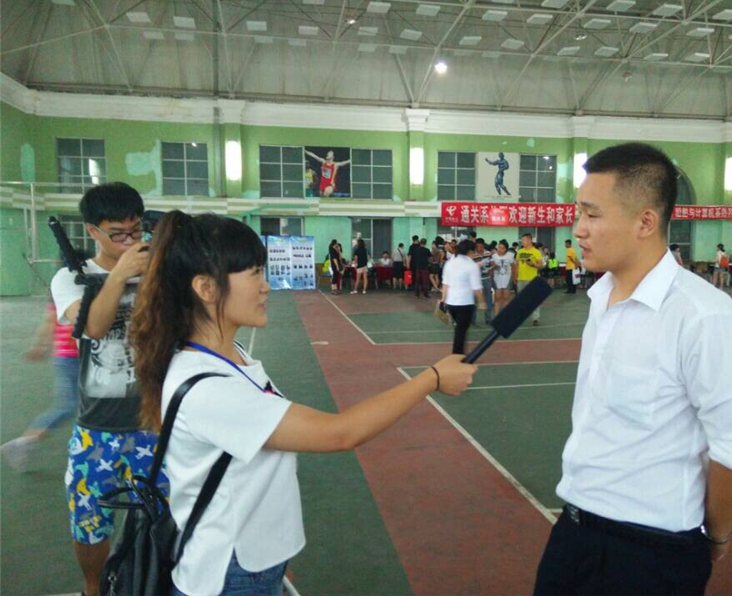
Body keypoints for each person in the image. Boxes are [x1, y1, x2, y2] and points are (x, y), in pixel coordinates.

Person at [128, 212, 477, 596]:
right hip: (230, 571)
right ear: (206, 288)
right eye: (254, 274)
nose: (266, 286)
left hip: (251, 558)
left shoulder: (230, 356)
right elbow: (339, 433)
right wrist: (432, 378)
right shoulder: (208, 387)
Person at [534, 142, 732, 596]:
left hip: (651, 554)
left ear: (645, 222)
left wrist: (715, 536)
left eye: (592, 214)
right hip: (573, 533)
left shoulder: (703, 316)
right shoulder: (601, 298)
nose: (578, 229)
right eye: (579, 212)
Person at [48, 183, 168, 596]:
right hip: (97, 428)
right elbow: (93, 327)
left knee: (168, 517)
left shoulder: (159, 272)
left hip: (155, 424)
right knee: (88, 523)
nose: (130, 241)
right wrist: (118, 275)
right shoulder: (70, 277)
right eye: (118, 234)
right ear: (93, 231)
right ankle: (93, 588)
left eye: (136, 231)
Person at [1, 298, 80, 471]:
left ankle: (25, 443)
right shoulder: (68, 292)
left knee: (78, 405)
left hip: (71, 357)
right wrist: (40, 345)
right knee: (68, 406)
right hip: (71, 357)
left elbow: (49, 320)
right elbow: (51, 320)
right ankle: (24, 442)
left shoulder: (61, 294)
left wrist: (41, 345)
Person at [441, 240, 485, 354]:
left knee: (459, 330)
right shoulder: (471, 265)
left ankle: (457, 354)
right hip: (465, 303)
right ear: (470, 251)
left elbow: (445, 284)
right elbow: (477, 288)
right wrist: (481, 302)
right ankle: (457, 355)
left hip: (451, 303)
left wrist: (443, 300)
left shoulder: (449, 263)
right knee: (461, 332)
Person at [515, 233, 544, 325]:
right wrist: (515, 276)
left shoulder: (536, 252)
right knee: (521, 299)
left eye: (524, 240)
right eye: (522, 240)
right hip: (521, 279)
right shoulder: (520, 252)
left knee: (533, 299)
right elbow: (516, 265)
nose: (522, 242)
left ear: (529, 240)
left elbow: (541, 266)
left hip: (532, 279)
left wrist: (533, 264)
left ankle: (535, 318)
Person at [490, 241, 515, 314]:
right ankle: (496, 316)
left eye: (502, 248)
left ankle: (505, 316)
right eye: (499, 247)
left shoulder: (510, 255)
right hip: (497, 279)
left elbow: (514, 267)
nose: (499, 249)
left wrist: (514, 277)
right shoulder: (493, 256)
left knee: (506, 298)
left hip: (507, 279)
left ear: (506, 249)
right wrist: (493, 267)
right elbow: (491, 268)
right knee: (497, 298)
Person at [472, 238, 494, 323]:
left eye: (481, 246)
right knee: (474, 300)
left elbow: (492, 264)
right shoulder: (473, 254)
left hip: (486, 279)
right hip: (476, 280)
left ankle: (488, 319)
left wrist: (492, 268)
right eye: (477, 247)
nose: (479, 248)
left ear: (483, 246)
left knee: (488, 299)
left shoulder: (488, 253)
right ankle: (472, 319)